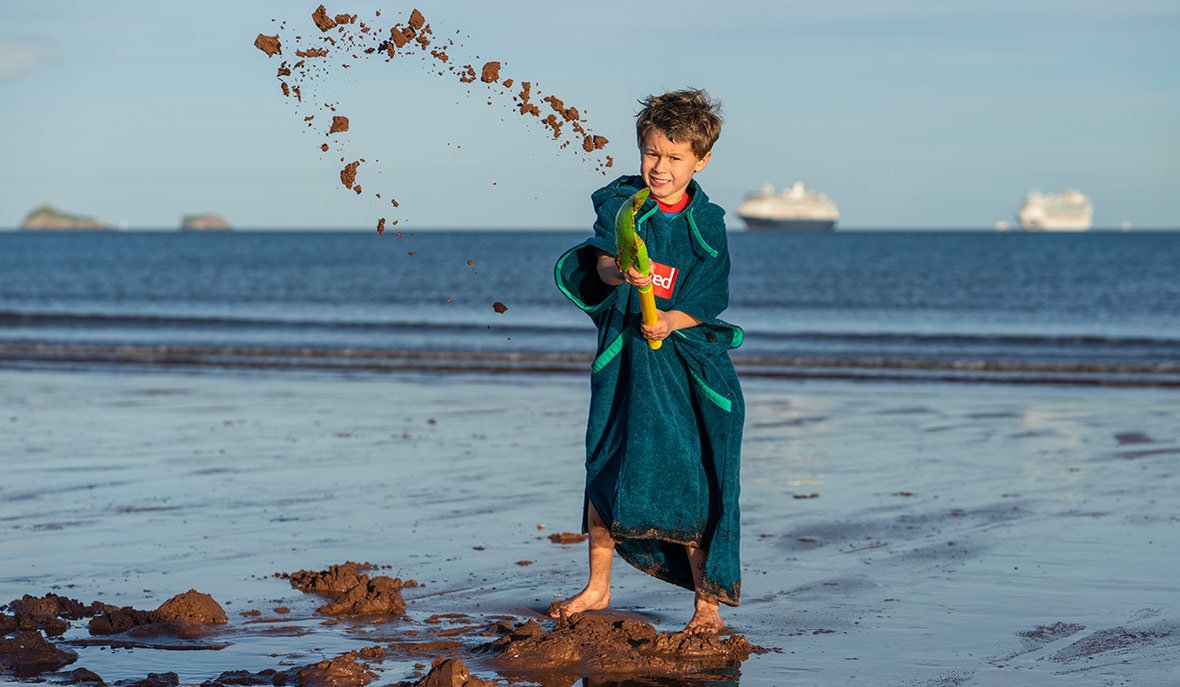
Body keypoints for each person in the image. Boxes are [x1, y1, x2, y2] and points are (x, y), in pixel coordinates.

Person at [552, 88, 744, 635]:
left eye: (675, 157)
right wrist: (620, 272)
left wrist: (671, 321)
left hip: (683, 366)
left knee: (691, 475)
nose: (660, 168)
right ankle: (598, 586)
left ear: (701, 160)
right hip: (627, 362)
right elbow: (601, 263)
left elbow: (709, 298)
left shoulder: (706, 224)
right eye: (652, 153)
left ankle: (705, 606)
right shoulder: (623, 203)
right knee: (607, 463)